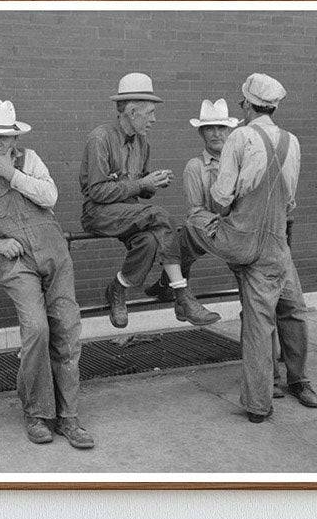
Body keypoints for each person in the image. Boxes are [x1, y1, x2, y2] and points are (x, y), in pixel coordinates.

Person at [179, 76, 317, 422]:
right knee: (294, 309)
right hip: (275, 241)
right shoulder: (293, 141)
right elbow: (291, 202)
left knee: (260, 320)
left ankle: (260, 404)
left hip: (246, 239)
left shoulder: (239, 138)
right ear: (274, 106)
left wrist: (229, 215)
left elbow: (222, 197)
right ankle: (296, 380)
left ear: (245, 105)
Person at [0, 100, 94, 450]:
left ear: (15, 138)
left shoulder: (31, 161)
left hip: (54, 254)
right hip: (15, 261)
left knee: (66, 327)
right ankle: (36, 412)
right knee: (36, 328)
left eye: (4, 136)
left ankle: (69, 416)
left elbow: (50, 196)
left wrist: (10, 173)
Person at [79, 72, 221, 330]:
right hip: (98, 213)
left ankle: (117, 288)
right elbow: (97, 192)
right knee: (161, 216)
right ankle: (181, 295)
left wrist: (152, 183)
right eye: (150, 113)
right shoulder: (100, 138)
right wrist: (142, 184)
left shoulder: (143, 143)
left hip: (130, 212)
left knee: (149, 241)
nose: (154, 119)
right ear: (132, 112)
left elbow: (140, 190)